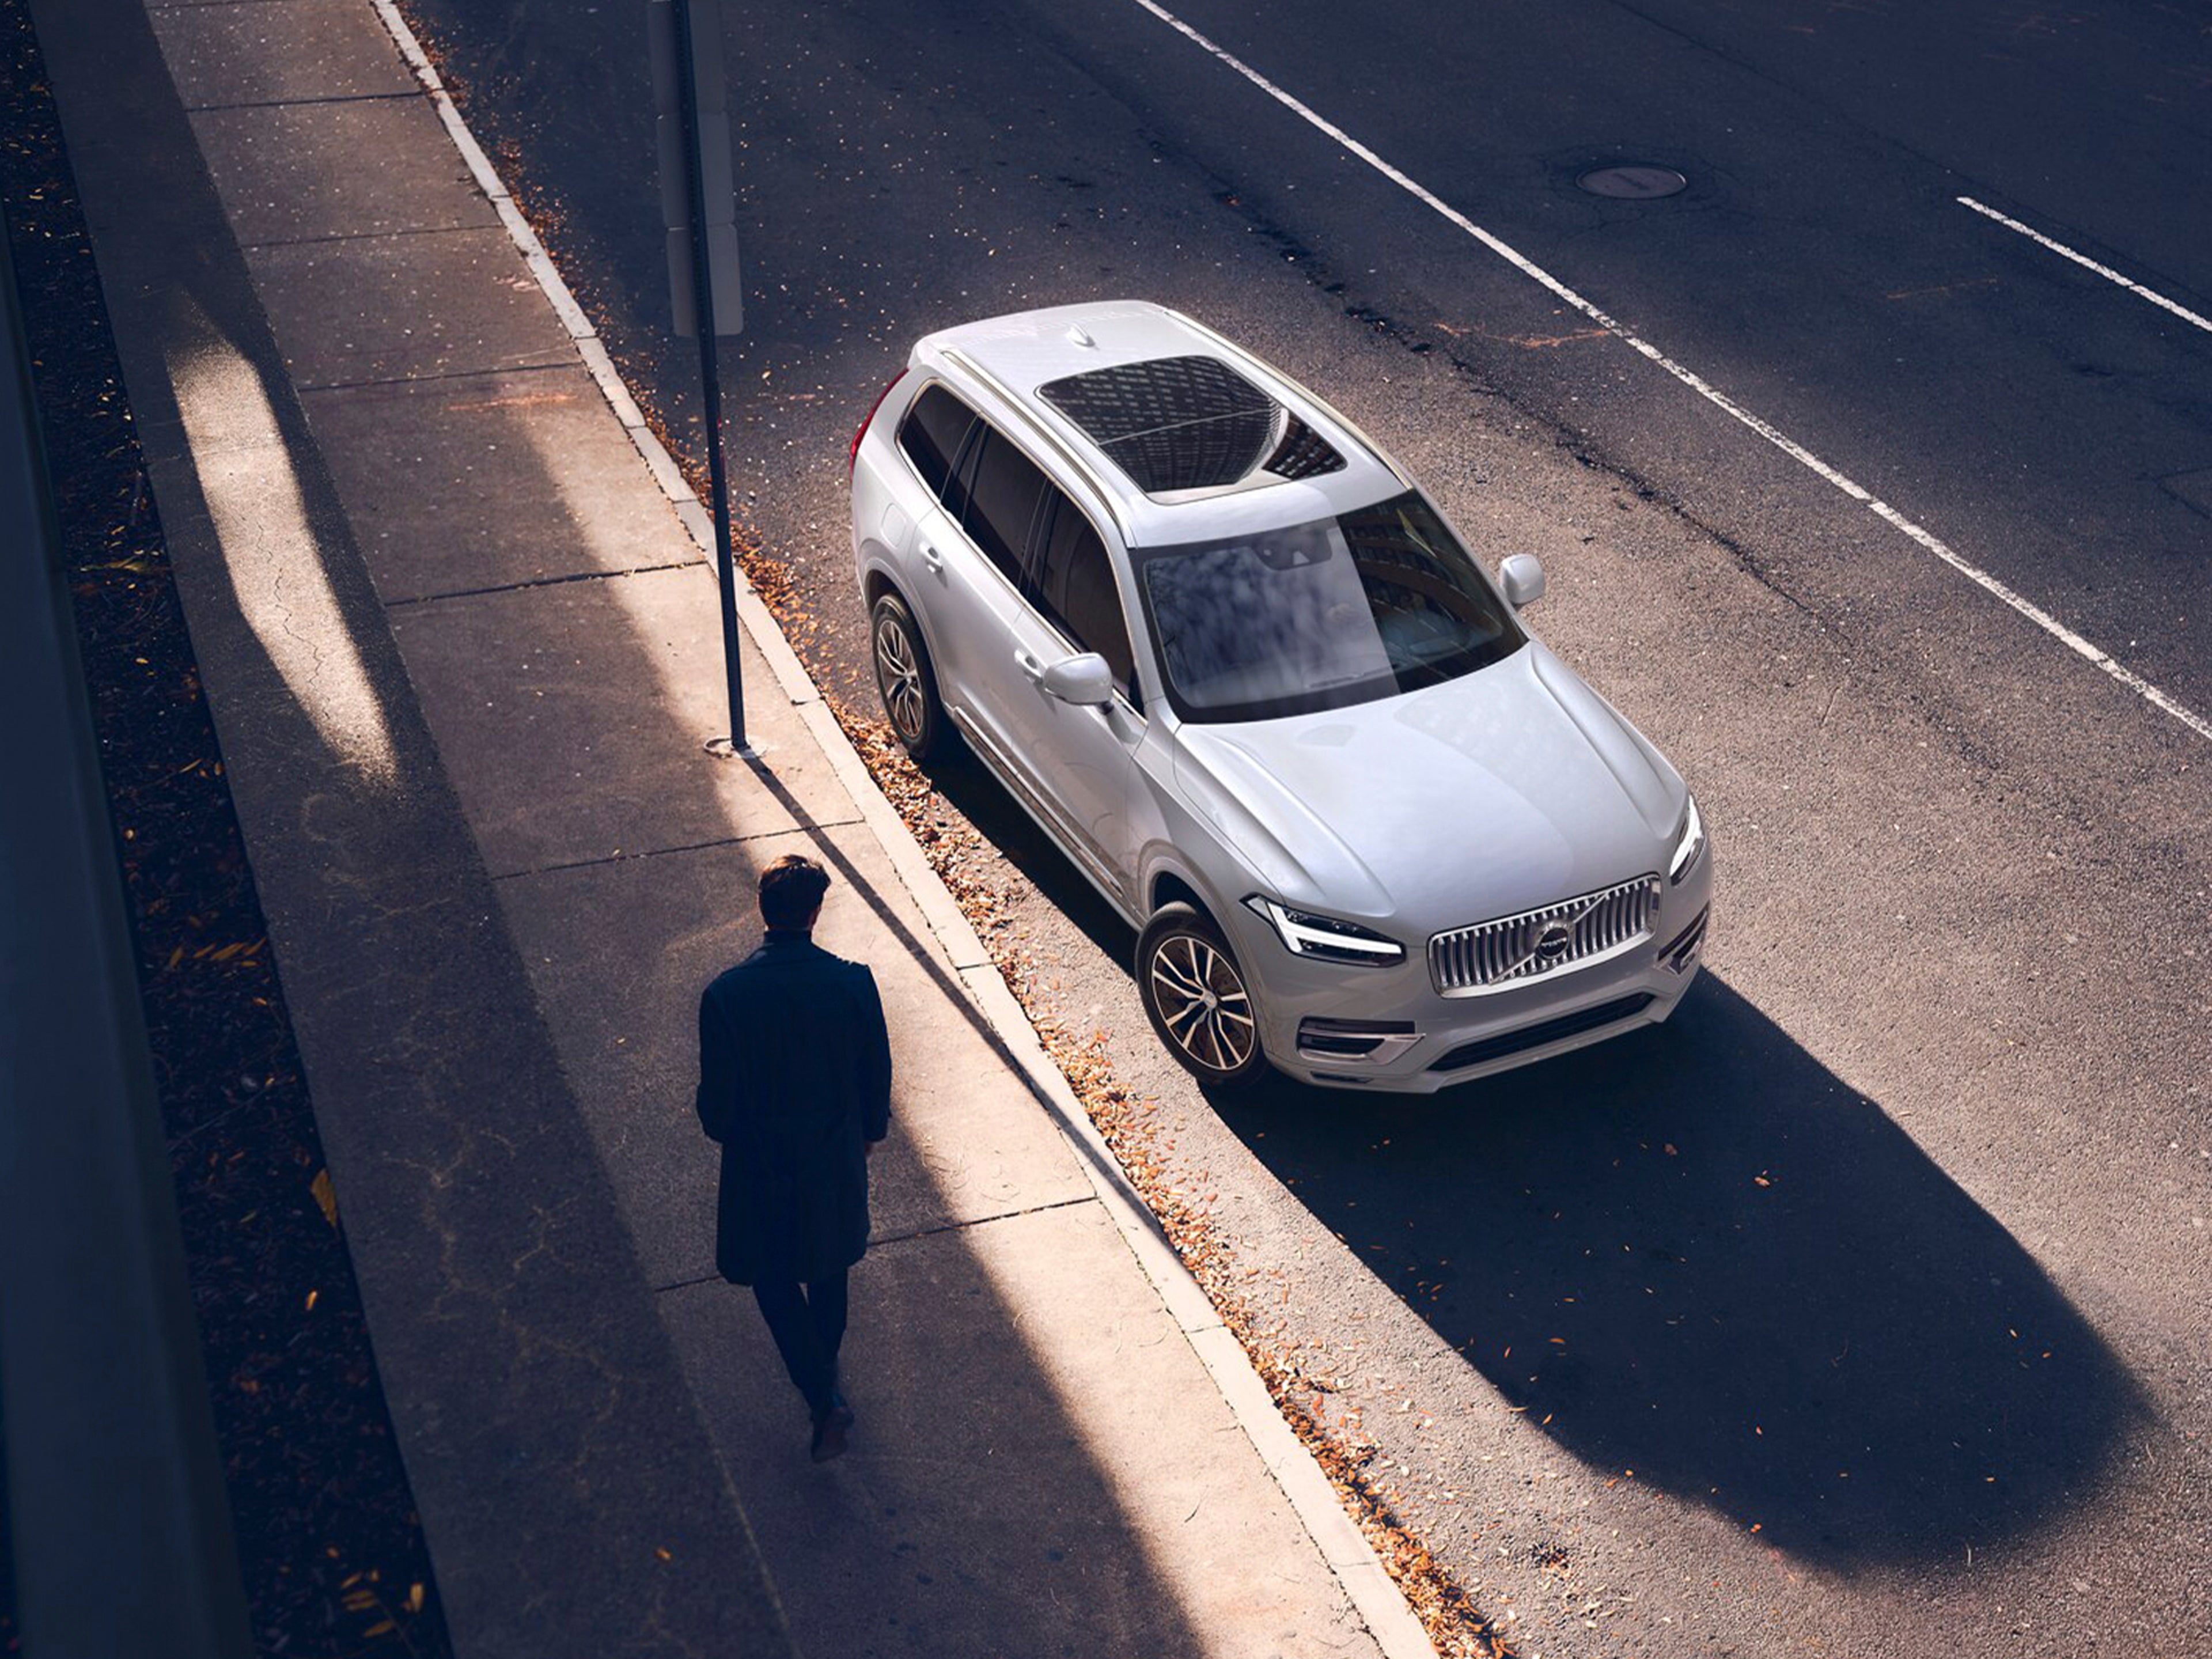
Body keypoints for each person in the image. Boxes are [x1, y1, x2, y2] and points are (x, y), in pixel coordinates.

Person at [696, 853, 892, 1461]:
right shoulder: (853, 982)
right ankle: (824, 1372)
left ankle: (820, 1392)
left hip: (761, 1163)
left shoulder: (726, 995)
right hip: (831, 1154)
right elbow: (875, 1072)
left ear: (764, 910)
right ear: (815, 913)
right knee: (829, 1266)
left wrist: (727, 1129)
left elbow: (717, 1104)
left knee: (771, 1274)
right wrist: (867, 1133)